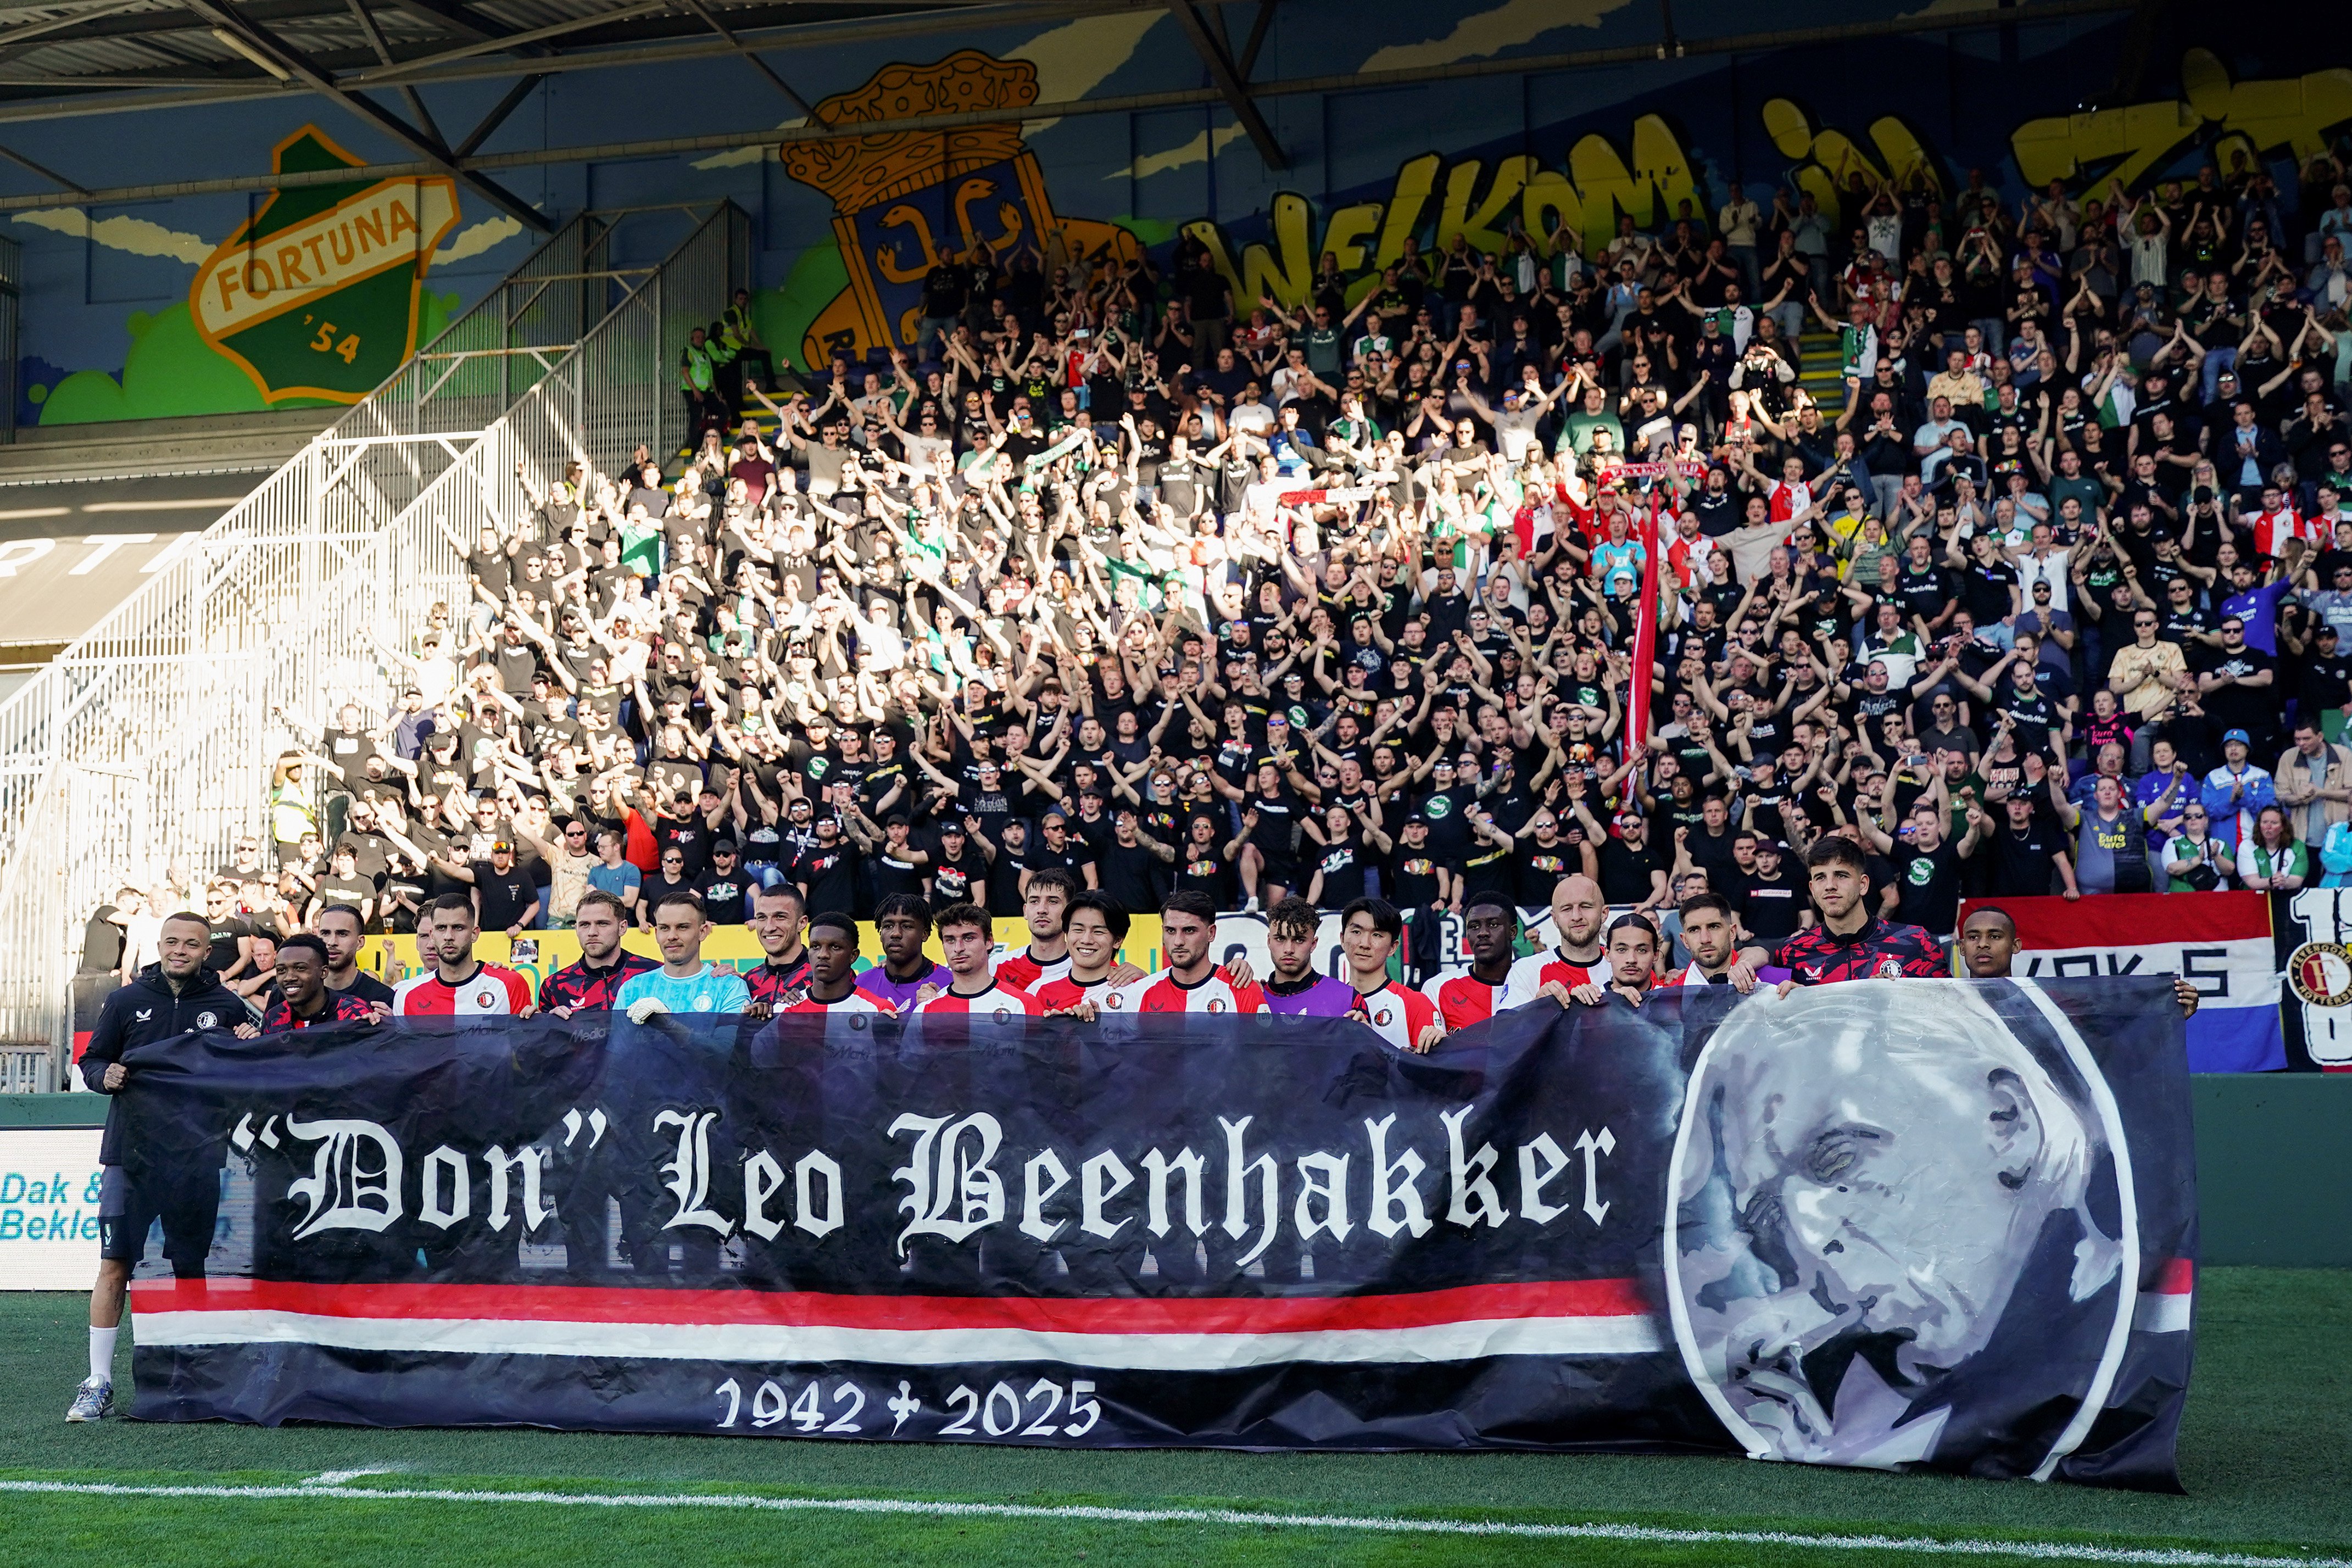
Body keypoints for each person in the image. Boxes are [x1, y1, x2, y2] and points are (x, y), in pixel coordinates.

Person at [70, 910, 244, 1422]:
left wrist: (246, 1048)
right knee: (114, 1265)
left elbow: (250, 1065)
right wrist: (108, 1075)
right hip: (130, 1156)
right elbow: (91, 1061)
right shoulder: (126, 1000)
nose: (180, 950)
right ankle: (97, 1381)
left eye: (192, 943)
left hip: (195, 1158)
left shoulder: (226, 1004)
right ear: (161, 945)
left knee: (190, 1266)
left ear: (207, 951)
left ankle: (187, 1376)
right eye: (172, 941)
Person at [1955, 905, 2199, 1017]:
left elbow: (2113, 1035)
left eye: (1995, 936)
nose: (1983, 944)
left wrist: (2169, 1012)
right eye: (1973, 937)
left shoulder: (2044, 1003)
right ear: (1962, 947)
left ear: (2016, 946)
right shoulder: (1944, 1003)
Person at [1770, 837, 1946, 984]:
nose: (1830, 886)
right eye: (1820, 878)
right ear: (1813, 888)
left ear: (1863, 885)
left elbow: (1949, 1012)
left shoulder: (1918, 943)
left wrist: (1898, 999)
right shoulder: (1790, 955)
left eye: (1841, 875)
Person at [1102, 891, 1267, 1014]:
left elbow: (1261, 1056)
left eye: (1189, 930)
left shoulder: (1243, 990)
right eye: (1171, 931)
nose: (1178, 941)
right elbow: (1129, 1057)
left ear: (1211, 933)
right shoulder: (1140, 992)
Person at [617, 891, 751, 1020]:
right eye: (664, 928)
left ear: (702, 932)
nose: (672, 936)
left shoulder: (729, 987)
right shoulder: (632, 989)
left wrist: (668, 1024)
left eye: (682, 927)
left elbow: (729, 1044)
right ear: (657, 933)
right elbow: (617, 1043)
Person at [392, 895, 533, 1015]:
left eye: (458, 928)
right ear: (432, 935)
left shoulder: (509, 985)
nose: (448, 936)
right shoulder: (406, 996)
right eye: (441, 928)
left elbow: (525, 1044)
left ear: (474, 934)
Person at [1334, 896, 1443, 1051]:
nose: (1365, 944)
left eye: (1377, 935)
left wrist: (1372, 1042)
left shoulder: (1415, 1004)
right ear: (1343, 939)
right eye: (1357, 932)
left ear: (1393, 947)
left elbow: (1433, 1071)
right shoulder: (1327, 1003)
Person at [1424, 889, 1541, 1027]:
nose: (1483, 933)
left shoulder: (1537, 986)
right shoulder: (1437, 988)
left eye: (1493, 925)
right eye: (1474, 927)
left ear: (1513, 932)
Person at [914, 902, 1045, 1017]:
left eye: (968, 938)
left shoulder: (1023, 1005)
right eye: (950, 940)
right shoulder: (925, 1010)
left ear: (989, 941)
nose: (958, 948)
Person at [537, 890, 656, 1015]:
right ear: (576, 929)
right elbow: (546, 1034)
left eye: (602, 924)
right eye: (584, 925)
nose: (592, 932)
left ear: (622, 928)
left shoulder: (654, 975)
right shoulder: (554, 986)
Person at [1504, 874, 1612, 999]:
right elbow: (1506, 1019)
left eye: (1586, 907)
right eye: (1567, 909)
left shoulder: (1624, 966)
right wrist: (1537, 1008)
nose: (1576, 917)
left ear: (1604, 913)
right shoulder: (1526, 970)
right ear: (1555, 919)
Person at [246, 934, 381, 1033]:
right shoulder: (274, 1017)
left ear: (324, 972)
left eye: (300, 968)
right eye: (281, 970)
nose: (289, 977)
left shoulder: (354, 1015)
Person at [1033, 894, 1133, 1015]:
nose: (1086, 940)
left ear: (1118, 940)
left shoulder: (1137, 990)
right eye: (1078, 930)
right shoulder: (1038, 990)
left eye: (1098, 932)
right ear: (1066, 934)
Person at [778, 912, 893, 1016]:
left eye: (835, 947)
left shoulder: (878, 1011)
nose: (823, 955)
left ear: (853, 956)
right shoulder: (783, 1010)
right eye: (815, 946)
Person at [1258, 895, 1357, 1016]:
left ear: (1313, 944)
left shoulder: (1348, 999)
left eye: (1299, 940)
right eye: (1280, 939)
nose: (1289, 949)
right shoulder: (1253, 997)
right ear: (1269, 941)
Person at [1654, 892, 1777, 988]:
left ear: (1732, 933)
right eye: (1694, 930)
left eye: (1714, 927)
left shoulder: (1773, 982)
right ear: (1685, 940)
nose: (1705, 939)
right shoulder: (1667, 993)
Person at [854, 893, 951, 1011]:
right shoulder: (863, 982)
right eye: (888, 926)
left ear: (925, 934)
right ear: (880, 933)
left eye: (907, 926)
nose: (896, 933)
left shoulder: (949, 984)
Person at [741, 882, 811, 1017]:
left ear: (801, 923)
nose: (769, 927)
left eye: (780, 917)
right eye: (762, 918)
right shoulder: (747, 982)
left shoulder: (824, 977)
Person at [1567, 913, 1668, 1006]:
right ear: (1607, 953)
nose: (1631, 959)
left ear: (1655, 955)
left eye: (1642, 950)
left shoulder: (1670, 1000)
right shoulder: (1589, 1001)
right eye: (1622, 950)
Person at [310, 902, 397, 1008]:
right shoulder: (301, 994)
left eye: (342, 934)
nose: (332, 942)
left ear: (360, 942)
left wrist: (388, 1023)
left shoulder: (382, 998)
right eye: (325, 933)